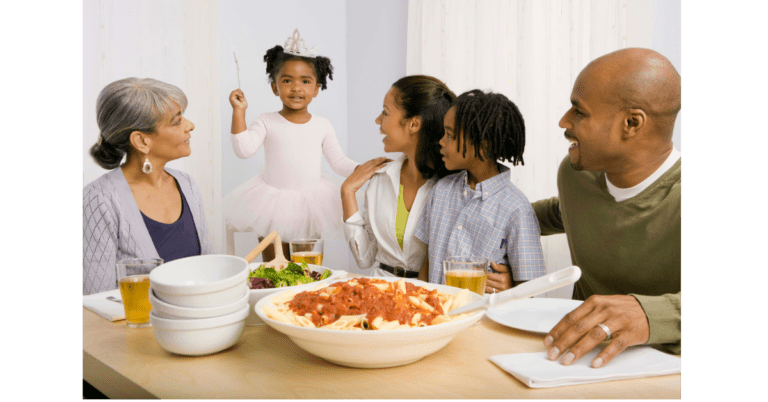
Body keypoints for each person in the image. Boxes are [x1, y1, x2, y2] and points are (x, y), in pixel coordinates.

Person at [532, 48, 682, 368]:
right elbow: (566, 213)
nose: (563, 122)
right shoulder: (575, 176)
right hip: (570, 363)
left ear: (631, 123)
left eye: (579, 111)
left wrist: (648, 313)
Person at [225, 30, 358, 258]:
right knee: (273, 266)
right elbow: (244, 149)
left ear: (316, 89)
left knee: (307, 267)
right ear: (275, 87)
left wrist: (367, 169)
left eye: (305, 81)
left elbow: (338, 162)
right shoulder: (266, 120)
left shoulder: (322, 125)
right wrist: (239, 112)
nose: (296, 88)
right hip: (271, 204)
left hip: (311, 207)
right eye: (287, 81)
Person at [82, 77, 213, 295]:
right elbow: (96, 301)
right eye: (177, 121)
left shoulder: (186, 184)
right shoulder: (98, 200)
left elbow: (209, 271)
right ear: (142, 141)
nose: (190, 126)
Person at [416, 90, 546, 291]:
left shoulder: (516, 210)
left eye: (449, 135)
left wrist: (510, 289)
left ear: (483, 145)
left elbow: (533, 290)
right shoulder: (440, 191)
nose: (441, 141)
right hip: (438, 317)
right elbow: (427, 263)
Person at [341, 75, 455, 278]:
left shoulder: (450, 188)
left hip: (428, 296)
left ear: (413, 124)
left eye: (385, 112)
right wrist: (347, 192)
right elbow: (365, 259)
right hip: (380, 292)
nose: (378, 120)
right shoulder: (380, 179)